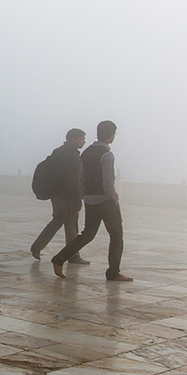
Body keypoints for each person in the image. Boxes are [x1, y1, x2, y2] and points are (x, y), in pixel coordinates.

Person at [51, 120, 132, 281]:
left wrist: (85, 195)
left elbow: (81, 177)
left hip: (90, 200)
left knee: (87, 234)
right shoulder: (107, 154)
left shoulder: (86, 152)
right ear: (111, 135)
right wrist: (114, 198)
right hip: (105, 201)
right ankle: (113, 273)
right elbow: (107, 181)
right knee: (116, 235)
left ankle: (59, 259)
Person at [30, 128, 90, 265]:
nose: (84, 141)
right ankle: (73, 255)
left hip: (56, 194)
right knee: (71, 226)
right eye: (81, 139)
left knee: (57, 221)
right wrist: (77, 199)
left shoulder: (59, 151)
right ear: (73, 139)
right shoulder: (71, 155)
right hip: (67, 196)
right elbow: (72, 180)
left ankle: (37, 246)